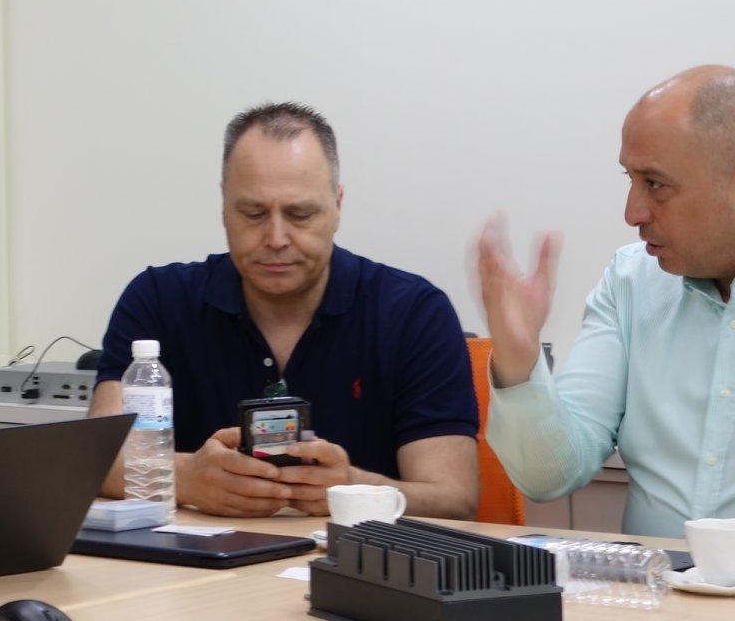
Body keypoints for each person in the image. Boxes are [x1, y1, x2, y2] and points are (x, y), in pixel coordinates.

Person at [89, 102, 479, 518]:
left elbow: (455, 499)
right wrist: (186, 477)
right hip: (196, 555)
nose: (276, 238)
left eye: (300, 214)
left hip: (353, 554)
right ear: (224, 205)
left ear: (337, 205)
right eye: (253, 213)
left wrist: (353, 487)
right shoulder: (156, 300)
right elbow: (93, 460)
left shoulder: (414, 313)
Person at [478, 65, 735, 536]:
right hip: (649, 581)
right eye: (630, 180)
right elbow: (551, 476)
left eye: (655, 184)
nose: (632, 212)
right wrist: (518, 362)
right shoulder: (630, 281)